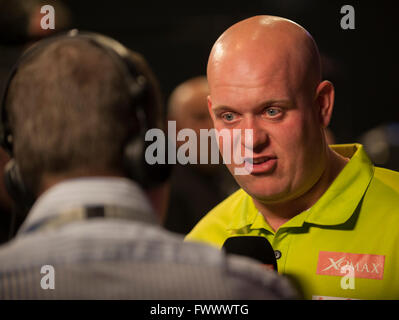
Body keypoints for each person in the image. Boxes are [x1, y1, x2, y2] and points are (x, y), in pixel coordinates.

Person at [0, 31, 297, 299]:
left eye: (271, 111)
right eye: (226, 116)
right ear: (150, 158)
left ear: (16, 175)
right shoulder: (250, 289)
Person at [185, 15, 399, 300]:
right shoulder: (200, 245)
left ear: (322, 105)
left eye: (272, 111)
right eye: (229, 116)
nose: (251, 139)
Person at [164, 76, 238, 234]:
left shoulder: (236, 176)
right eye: (200, 117)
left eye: (222, 116)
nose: (212, 127)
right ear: (175, 128)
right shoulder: (166, 190)